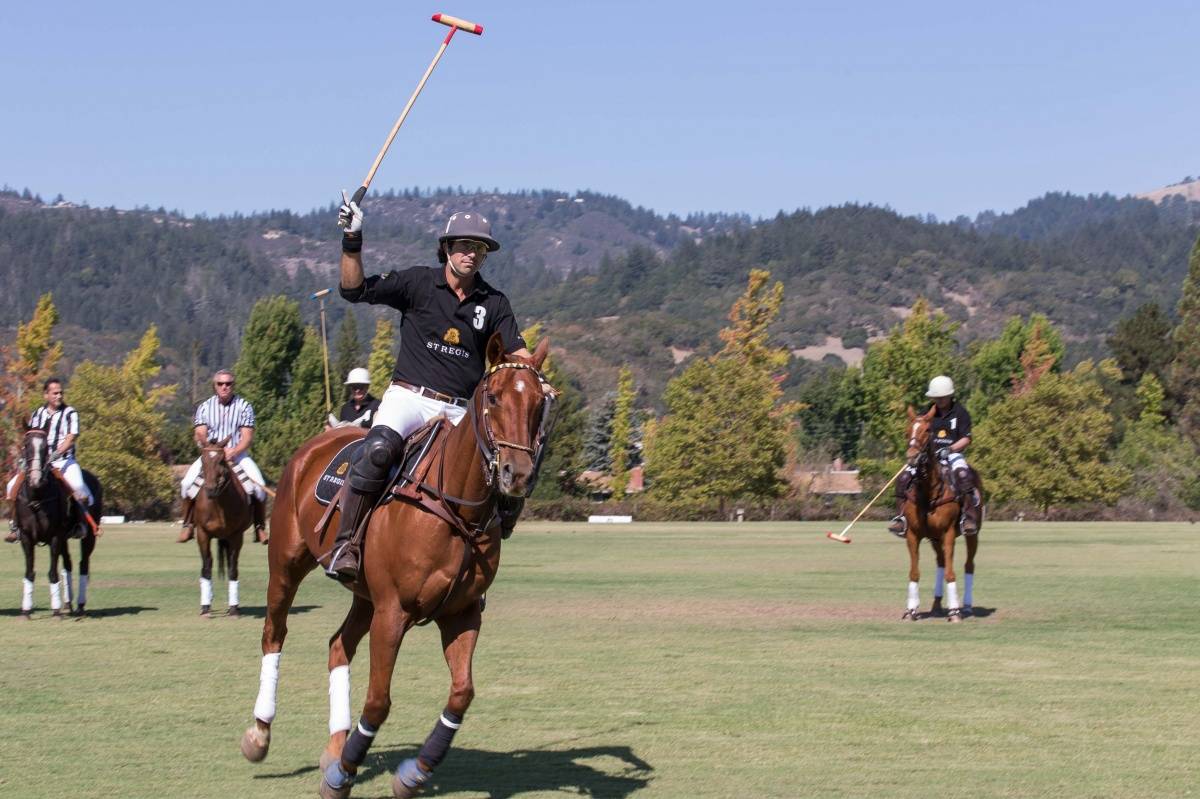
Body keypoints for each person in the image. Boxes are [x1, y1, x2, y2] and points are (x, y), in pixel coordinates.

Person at [326, 197, 532, 582]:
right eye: (465, 246)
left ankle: (479, 562)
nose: (473, 254)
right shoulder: (418, 282)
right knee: (376, 450)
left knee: (503, 467)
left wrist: (533, 375)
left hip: (460, 410)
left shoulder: (494, 303)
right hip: (409, 398)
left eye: (480, 249)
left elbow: (518, 357)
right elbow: (353, 290)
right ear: (447, 249)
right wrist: (352, 239)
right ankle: (347, 544)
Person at [178, 369, 268, 543]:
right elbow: (200, 433)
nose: (224, 387)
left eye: (228, 384)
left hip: (237, 455)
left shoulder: (244, 406)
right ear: (215, 386)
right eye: (221, 384)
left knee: (259, 487)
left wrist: (233, 451)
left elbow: (247, 437)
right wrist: (212, 449)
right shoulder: (204, 407)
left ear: (233, 385)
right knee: (186, 483)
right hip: (211, 456)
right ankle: (188, 525)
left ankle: (259, 527)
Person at [888, 375, 982, 537]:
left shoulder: (960, 412)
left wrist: (950, 449)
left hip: (952, 455)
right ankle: (901, 518)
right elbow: (918, 430)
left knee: (963, 474)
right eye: (935, 398)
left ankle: (968, 516)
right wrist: (916, 449)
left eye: (942, 397)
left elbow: (966, 438)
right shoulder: (928, 412)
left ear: (950, 395)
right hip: (928, 456)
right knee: (903, 478)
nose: (938, 401)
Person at [5, 378, 95, 542]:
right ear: (46, 395)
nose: (59, 396)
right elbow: (31, 438)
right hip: (39, 462)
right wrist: (26, 458)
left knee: (79, 487)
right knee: (11, 487)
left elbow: (71, 437)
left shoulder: (70, 413)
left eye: (60, 392)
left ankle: (79, 525)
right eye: (55, 393)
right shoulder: (37, 414)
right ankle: (15, 526)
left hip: (64, 461)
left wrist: (57, 452)